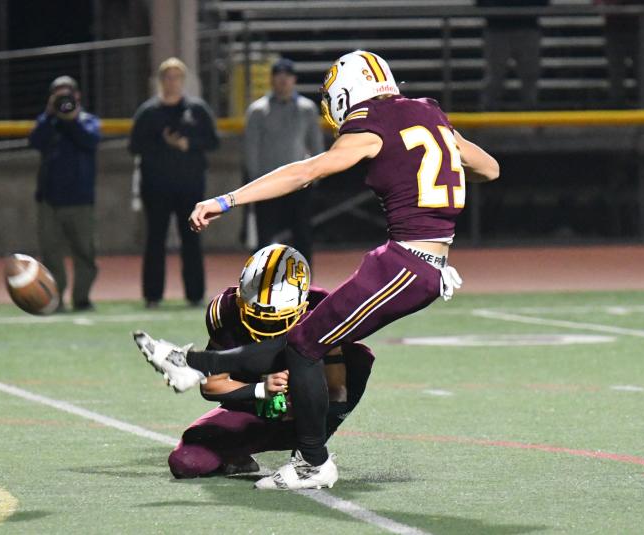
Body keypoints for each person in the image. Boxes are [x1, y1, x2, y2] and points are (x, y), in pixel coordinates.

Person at [136, 50, 500, 490]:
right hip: (410, 257)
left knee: (306, 345)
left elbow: (307, 171)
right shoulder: (427, 113)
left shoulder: (375, 122)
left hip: (409, 261)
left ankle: (313, 462)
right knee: (303, 339)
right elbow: (488, 168)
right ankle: (189, 363)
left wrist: (226, 200)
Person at [139, 244, 374, 480]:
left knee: (357, 358)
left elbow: (337, 391)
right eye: (257, 318)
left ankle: (309, 453)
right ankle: (239, 452)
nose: (265, 327)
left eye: (276, 320)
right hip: (252, 408)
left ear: (302, 307)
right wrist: (261, 389)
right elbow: (211, 385)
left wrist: (301, 390)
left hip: (303, 415)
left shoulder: (320, 308)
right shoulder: (226, 310)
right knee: (185, 461)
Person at [129, 58, 220, 309]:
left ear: (183, 80)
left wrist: (187, 144)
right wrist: (163, 144)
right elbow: (134, 145)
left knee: (191, 239)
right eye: (167, 77)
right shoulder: (149, 112)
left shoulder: (197, 110)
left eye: (177, 77)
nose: (172, 82)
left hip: (190, 187)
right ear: (160, 81)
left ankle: (195, 294)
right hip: (156, 187)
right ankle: (152, 295)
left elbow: (213, 141)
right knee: (155, 240)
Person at [29, 75, 101, 312]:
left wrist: (71, 120)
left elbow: (89, 141)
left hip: (81, 200)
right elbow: (35, 141)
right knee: (50, 252)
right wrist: (51, 115)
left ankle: (82, 298)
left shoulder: (87, 121)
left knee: (85, 252)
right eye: (58, 95)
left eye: (67, 94)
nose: (64, 100)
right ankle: (55, 298)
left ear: (77, 95)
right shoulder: (47, 122)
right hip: (50, 200)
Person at [244, 58, 324, 262]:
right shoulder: (258, 110)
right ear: (271, 80)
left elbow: (316, 146)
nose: (283, 81)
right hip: (268, 185)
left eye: (287, 77)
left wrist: (315, 177)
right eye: (278, 76)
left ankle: (305, 285)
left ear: (294, 79)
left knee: (302, 238)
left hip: (298, 185)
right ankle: (258, 285)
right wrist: (255, 182)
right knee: (264, 240)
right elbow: (251, 149)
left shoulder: (307, 109)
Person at [478, 0, 550, 110]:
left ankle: (531, 113)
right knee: (495, 76)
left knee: (529, 75)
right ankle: (488, 113)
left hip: (519, 25)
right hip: (502, 26)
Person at [596, 0, 644, 107]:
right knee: (616, 72)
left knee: (642, 71)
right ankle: (617, 107)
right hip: (616, 26)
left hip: (638, 25)